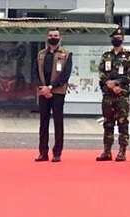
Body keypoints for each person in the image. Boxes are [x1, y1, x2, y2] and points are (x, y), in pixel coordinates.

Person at [96, 25, 130, 162]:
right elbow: (101, 73)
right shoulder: (106, 56)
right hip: (108, 95)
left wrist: (117, 83)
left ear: (123, 39)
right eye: (114, 38)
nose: (116, 40)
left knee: (123, 122)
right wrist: (109, 84)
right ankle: (107, 151)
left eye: (118, 38)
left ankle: (122, 151)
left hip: (122, 95)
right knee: (108, 122)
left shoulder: (129, 56)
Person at [32, 28, 73, 162]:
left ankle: (57, 153)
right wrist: (42, 87)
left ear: (60, 38)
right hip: (42, 91)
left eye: (55, 35)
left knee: (58, 122)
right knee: (43, 122)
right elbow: (35, 73)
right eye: (50, 35)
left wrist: (51, 87)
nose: (53, 37)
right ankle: (43, 152)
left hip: (57, 92)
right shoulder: (41, 54)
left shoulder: (66, 54)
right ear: (47, 37)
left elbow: (65, 74)